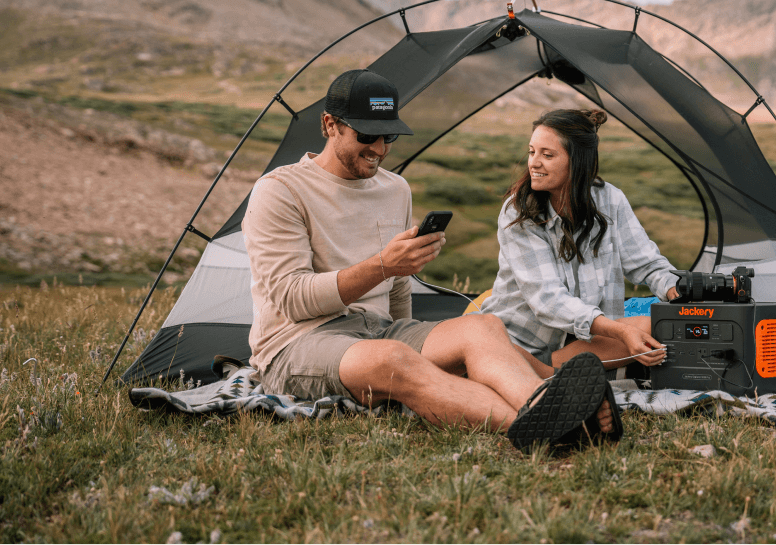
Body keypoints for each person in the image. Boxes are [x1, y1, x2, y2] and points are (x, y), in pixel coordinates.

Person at [244, 69, 619, 451]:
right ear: (330, 125)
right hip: (297, 343)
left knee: (483, 326)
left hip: (376, 331)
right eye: (366, 135)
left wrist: (407, 314)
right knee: (393, 359)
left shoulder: (394, 188)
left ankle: (547, 405)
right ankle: (554, 427)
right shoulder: (280, 191)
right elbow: (292, 299)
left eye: (388, 136)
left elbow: (397, 291)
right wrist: (383, 266)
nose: (380, 149)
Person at [481, 108, 681, 371]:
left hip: (581, 342)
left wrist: (677, 292)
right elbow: (548, 300)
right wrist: (620, 333)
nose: (534, 163)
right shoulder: (518, 210)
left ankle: (552, 373)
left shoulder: (611, 200)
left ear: (577, 161)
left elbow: (647, 264)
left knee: (651, 325)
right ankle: (543, 372)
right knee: (629, 334)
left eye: (547, 155)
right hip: (522, 341)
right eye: (532, 152)